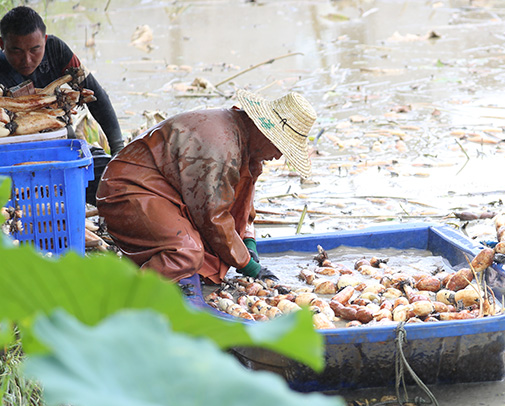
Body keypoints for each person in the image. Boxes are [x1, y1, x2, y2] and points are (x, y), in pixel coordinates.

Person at [96, 90, 317, 285]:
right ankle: (122, 294)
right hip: (127, 190)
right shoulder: (221, 147)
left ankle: (153, 273)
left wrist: (248, 240)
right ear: (265, 133)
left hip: (164, 193)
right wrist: (249, 266)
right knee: (186, 253)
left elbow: (241, 204)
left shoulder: (244, 141)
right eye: (280, 147)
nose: (278, 156)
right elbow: (213, 218)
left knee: (205, 253)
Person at [0, 6, 124, 206]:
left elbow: (96, 94)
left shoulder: (56, 50)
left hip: (63, 147)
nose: (27, 60)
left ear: (45, 41)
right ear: (2, 44)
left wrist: (119, 149)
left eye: (35, 49)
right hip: (14, 158)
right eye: (16, 50)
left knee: (118, 181)